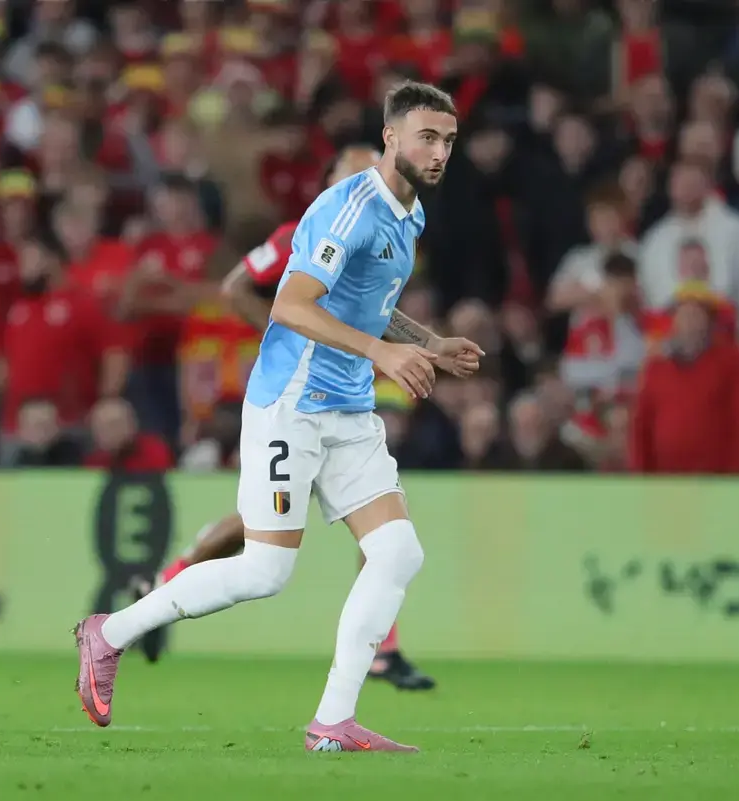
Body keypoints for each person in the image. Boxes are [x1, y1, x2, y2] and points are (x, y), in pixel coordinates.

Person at [73, 82, 483, 753]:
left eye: (448, 141)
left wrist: (429, 341)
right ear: (391, 137)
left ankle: (332, 722)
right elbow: (291, 305)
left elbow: (369, 303)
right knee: (265, 571)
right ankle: (108, 633)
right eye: (427, 138)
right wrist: (383, 352)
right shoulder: (348, 209)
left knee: (398, 552)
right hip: (292, 403)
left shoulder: (408, 214)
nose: (439, 152)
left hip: (349, 407)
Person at [130, 144, 436, 690]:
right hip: (292, 397)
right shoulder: (301, 232)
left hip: (344, 395)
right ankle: (156, 593)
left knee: (377, 525)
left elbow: (379, 309)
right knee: (265, 537)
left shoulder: (387, 232)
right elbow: (238, 289)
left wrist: (429, 344)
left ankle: (379, 654)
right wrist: (288, 340)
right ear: (331, 181)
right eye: (354, 174)